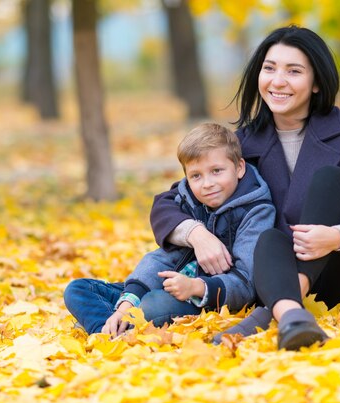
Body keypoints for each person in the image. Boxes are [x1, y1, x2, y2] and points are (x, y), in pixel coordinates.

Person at [149, 25, 340, 350]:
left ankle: (271, 313)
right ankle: (292, 313)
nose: (278, 81)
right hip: (279, 276)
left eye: (293, 71)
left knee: (328, 180)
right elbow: (170, 201)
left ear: (317, 82)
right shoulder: (242, 145)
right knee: (268, 238)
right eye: (269, 68)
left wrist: (337, 236)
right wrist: (198, 234)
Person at [64, 122, 276, 336]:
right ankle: (110, 329)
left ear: (239, 168)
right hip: (162, 284)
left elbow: (245, 282)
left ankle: (106, 327)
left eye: (216, 171)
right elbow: (161, 259)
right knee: (78, 290)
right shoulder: (188, 200)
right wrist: (127, 303)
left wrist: (195, 287)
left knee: (153, 306)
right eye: (196, 176)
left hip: (202, 300)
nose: (207, 184)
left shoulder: (257, 211)